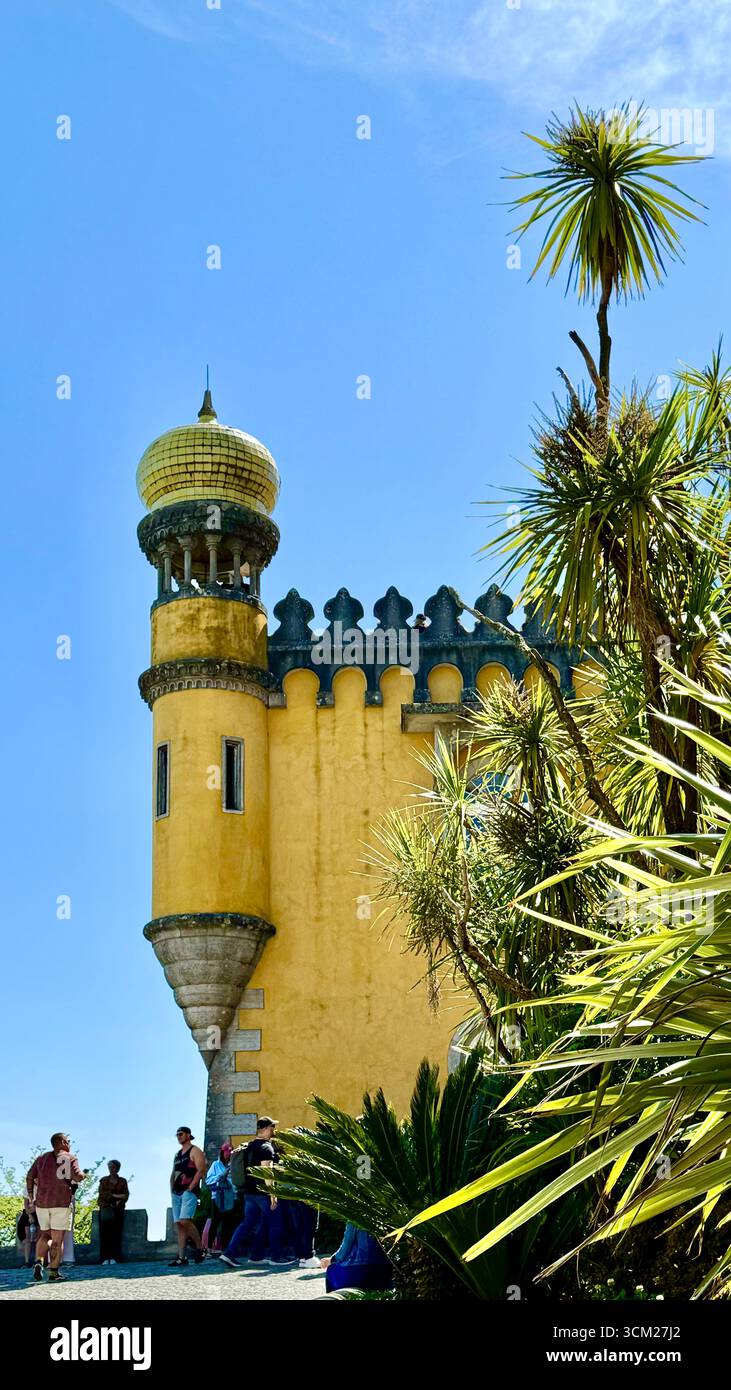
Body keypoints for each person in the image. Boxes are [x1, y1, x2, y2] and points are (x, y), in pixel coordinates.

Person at [220, 1117, 293, 1268]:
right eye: (272, 1127)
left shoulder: (249, 1146)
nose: (274, 1130)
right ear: (266, 1128)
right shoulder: (266, 1147)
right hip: (262, 1193)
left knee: (249, 1223)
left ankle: (238, 1254)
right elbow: (267, 1171)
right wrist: (272, 1194)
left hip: (249, 1193)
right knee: (275, 1223)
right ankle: (276, 1257)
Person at [26, 1133, 87, 1284]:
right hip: (61, 1202)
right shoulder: (70, 1157)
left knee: (45, 1235)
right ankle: (53, 1272)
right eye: (68, 1141)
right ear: (61, 1142)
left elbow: (29, 1176)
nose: (69, 1143)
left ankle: (39, 1261)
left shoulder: (41, 1159)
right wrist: (84, 1175)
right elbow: (77, 1176)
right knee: (57, 1240)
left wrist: (31, 1195)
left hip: (41, 1203)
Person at [169, 1126, 207, 1266]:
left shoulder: (195, 1151)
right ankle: (182, 1257)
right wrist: (171, 1188)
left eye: (181, 1134)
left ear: (188, 1135)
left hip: (188, 1191)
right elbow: (174, 1172)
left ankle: (200, 1248)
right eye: (177, 1134)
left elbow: (201, 1169)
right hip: (176, 1192)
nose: (179, 1136)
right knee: (180, 1225)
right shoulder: (177, 1154)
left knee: (185, 1220)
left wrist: (191, 1187)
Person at [321, 1223, 392, 1294]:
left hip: (360, 1271)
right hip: (385, 1270)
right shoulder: (387, 1216)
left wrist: (331, 1260)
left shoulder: (354, 1218)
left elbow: (345, 1250)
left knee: (331, 1269)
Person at [204, 1144, 237, 1252]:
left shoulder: (234, 1165)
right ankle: (209, 1248)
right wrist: (221, 1176)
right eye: (227, 1152)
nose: (228, 1154)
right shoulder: (215, 1165)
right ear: (222, 1152)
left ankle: (225, 1249)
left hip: (230, 1197)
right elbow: (208, 1180)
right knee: (215, 1221)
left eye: (231, 1152)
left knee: (228, 1223)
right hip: (217, 1196)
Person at [98, 1160, 130, 1265]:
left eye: (113, 1167)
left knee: (116, 1235)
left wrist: (113, 1196)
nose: (111, 1169)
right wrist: (116, 1196)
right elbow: (103, 1195)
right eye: (110, 1167)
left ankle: (116, 1257)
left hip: (118, 1210)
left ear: (117, 1168)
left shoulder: (122, 1181)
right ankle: (104, 1258)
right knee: (105, 1234)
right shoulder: (104, 1181)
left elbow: (126, 1195)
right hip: (106, 1209)